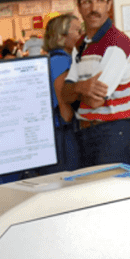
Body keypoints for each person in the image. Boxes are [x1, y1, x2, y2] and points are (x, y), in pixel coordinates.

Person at [61, 0, 130, 168]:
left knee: (112, 195)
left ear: (109, 5)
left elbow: (95, 101)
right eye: (87, 2)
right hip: (86, 134)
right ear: (79, 7)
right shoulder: (81, 44)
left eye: (100, 1)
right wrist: (82, 87)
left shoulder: (117, 42)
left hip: (112, 134)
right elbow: (65, 93)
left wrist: (75, 89)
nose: (94, 8)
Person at [42, 13, 82, 172]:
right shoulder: (60, 61)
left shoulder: (54, 59)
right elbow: (65, 109)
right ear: (62, 36)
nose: (82, 36)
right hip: (62, 135)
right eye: (78, 31)